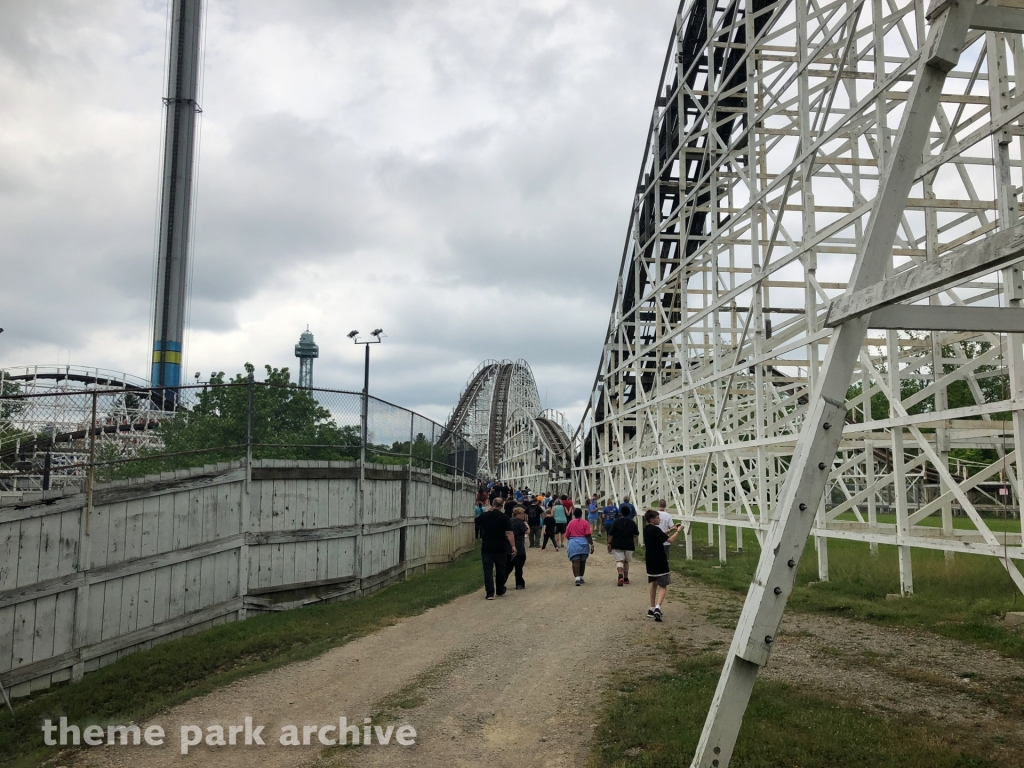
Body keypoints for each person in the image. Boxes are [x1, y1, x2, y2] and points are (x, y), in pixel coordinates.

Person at [643, 509, 682, 621]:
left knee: (654, 584)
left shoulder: (647, 529)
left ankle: (651, 608)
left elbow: (660, 536)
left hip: (650, 560)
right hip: (660, 560)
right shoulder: (656, 529)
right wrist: (678, 531)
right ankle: (658, 608)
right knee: (663, 585)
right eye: (657, 518)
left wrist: (670, 529)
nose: (659, 519)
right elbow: (670, 540)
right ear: (652, 519)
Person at [479, 498, 515, 599]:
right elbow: (509, 533)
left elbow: (476, 521)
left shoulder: (485, 515)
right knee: (500, 569)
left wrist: (487, 511)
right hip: (500, 546)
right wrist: (513, 546)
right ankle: (500, 589)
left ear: (492, 504)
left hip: (487, 546)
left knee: (488, 570)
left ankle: (490, 593)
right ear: (502, 505)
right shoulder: (504, 517)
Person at [607, 506, 639, 586]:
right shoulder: (632, 523)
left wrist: (609, 543)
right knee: (626, 561)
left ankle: (620, 575)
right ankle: (626, 578)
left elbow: (611, 534)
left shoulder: (616, 522)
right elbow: (636, 534)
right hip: (629, 544)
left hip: (617, 544)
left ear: (621, 512)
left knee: (619, 561)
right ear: (629, 513)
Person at [564, 507, 594, 586]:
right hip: (584, 544)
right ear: (581, 514)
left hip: (573, 544)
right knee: (582, 562)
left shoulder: (571, 523)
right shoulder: (585, 523)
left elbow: (567, 535)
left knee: (575, 562)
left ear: (574, 514)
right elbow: (588, 535)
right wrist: (592, 544)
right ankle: (581, 577)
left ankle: (577, 579)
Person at [509, 507, 530, 589]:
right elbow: (527, 531)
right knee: (518, 567)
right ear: (517, 514)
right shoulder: (520, 523)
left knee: (508, 567)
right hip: (518, 545)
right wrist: (526, 524)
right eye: (522, 514)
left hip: (509, 545)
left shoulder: (509, 521)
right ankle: (519, 584)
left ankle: (501, 583)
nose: (524, 515)